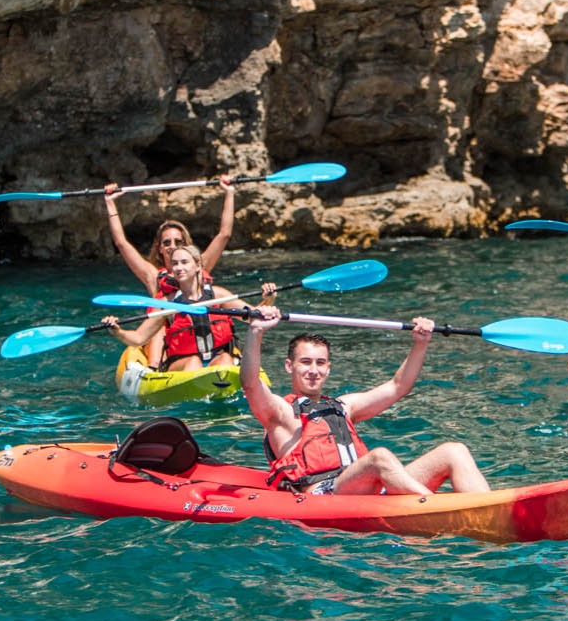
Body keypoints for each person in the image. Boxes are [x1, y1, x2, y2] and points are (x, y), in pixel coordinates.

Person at [239, 307, 490, 497]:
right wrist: (256, 331)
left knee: (453, 451)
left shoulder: (344, 406)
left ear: (328, 369)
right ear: (289, 366)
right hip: (324, 493)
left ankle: (487, 510)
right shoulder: (280, 412)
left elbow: (398, 386)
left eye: (320, 363)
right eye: (305, 362)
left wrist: (420, 343)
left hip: (365, 488)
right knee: (378, 457)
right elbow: (250, 383)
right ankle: (435, 506)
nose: (313, 370)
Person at [102, 243, 275, 373]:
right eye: (175, 263)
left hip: (216, 360)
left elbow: (255, 315)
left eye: (184, 262)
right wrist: (118, 331)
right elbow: (139, 338)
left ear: (198, 265)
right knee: (193, 362)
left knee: (225, 359)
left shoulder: (218, 295)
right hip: (181, 365)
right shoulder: (166, 304)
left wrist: (269, 299)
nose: (179, 268)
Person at [102, 176, 236, 298]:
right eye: (166, 243)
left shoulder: (200, 266)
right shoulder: (152, 277)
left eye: (178, 242)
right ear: (160, 248)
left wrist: (229, 193)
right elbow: (121, 243)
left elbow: (224, 234)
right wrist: (110, 202)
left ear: (186, 245)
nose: (172, 246)